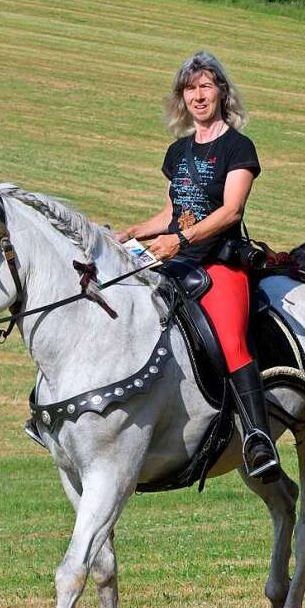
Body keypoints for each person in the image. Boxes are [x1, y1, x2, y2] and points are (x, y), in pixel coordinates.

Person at [115, 51, 280, 482]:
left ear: (222, 92)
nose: (198, 95)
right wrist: (133, 232)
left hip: (220, 263)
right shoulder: (178, 151)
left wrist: (181, 240)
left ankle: (258, 438)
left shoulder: (238, 147)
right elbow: (171, 213)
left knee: (231, 340)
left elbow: (230, 212)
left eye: (206, 86)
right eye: (190, 88)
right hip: (174, 256)